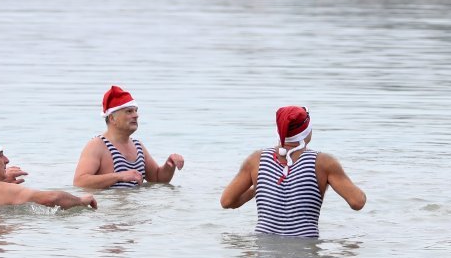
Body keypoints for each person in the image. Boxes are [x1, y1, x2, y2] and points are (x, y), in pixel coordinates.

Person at [220, 106, 366, 238]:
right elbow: (357, 202)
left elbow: (227, 201)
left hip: (264, 253)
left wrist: (256, 189)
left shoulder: (256, 160)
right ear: (307, 131)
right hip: (305, 251)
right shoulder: (324, 162)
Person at [73, 85, 185, 189]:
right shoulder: (97, 145)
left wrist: (169, 165)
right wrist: (119, 176)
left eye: (136, 111)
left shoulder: (138, 145)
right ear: (112, 118)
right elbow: (79, 182)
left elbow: (158, 179)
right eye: (129, 111)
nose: (136, 115)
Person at [0, 137, 97, 209]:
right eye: (1, 155)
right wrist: (80, 201)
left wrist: (0, 182)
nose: (6, 160)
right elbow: (51, 198)